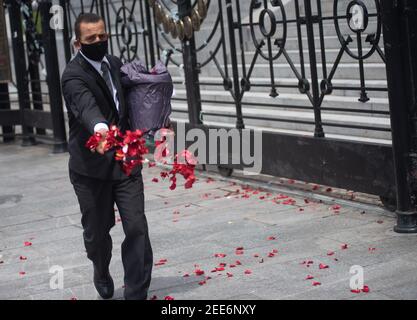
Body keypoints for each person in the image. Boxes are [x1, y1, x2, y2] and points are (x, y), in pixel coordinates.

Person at [61, 13, 153, 300]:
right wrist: (101, 131)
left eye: (102, 36)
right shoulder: (73, 76)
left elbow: (131, 101)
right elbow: (87, 107)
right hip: (90, 169)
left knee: (137, 226)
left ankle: (136, 293)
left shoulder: (113, 64)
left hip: (125, 162)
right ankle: (100, 269)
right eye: (91, 39)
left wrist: (157, 119)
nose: (99, 41)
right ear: (78, 43)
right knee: (97, 235)